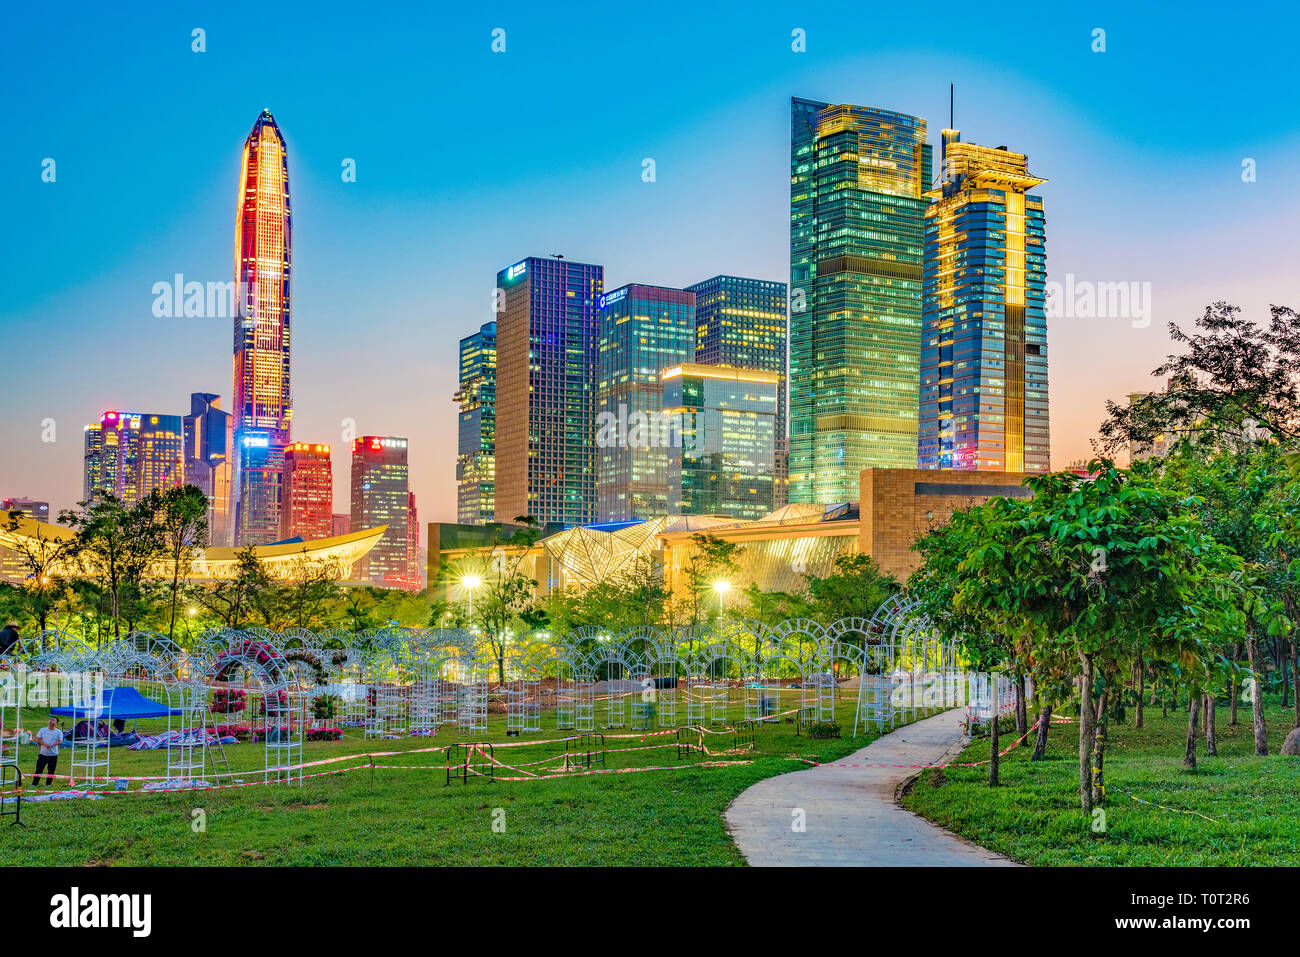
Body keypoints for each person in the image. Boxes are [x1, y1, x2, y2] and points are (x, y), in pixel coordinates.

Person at [33, 716, 64, 786]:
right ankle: (34, 784)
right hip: (43, 754)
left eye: (53, 720)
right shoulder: (43, 730)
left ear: (56, 723)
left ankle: (48, 784)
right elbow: (38, 739)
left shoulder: (58, 732)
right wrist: (44, 744)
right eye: (50, 720)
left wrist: (53, 744)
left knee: (51, 771)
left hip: (53, 755)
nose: (51, 721)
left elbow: (60, 741)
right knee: (39, 770)